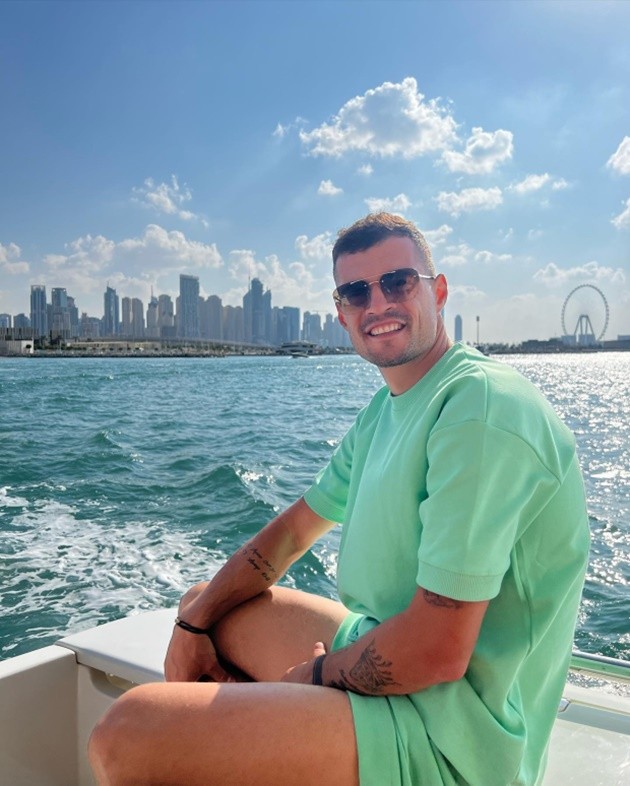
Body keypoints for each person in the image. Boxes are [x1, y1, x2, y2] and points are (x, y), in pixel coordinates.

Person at [89, 212, 590, 786]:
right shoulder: (384, 412)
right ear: (342, 314)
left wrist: (317, 675)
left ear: (438, 291)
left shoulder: (478, 407)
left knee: (124, 735)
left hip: (457, 739)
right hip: (394, 662)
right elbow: (291, 533)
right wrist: (192, 622)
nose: (378, 304)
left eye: (398, 282)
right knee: (210, 608)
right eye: (356, 292)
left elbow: (438, 648)